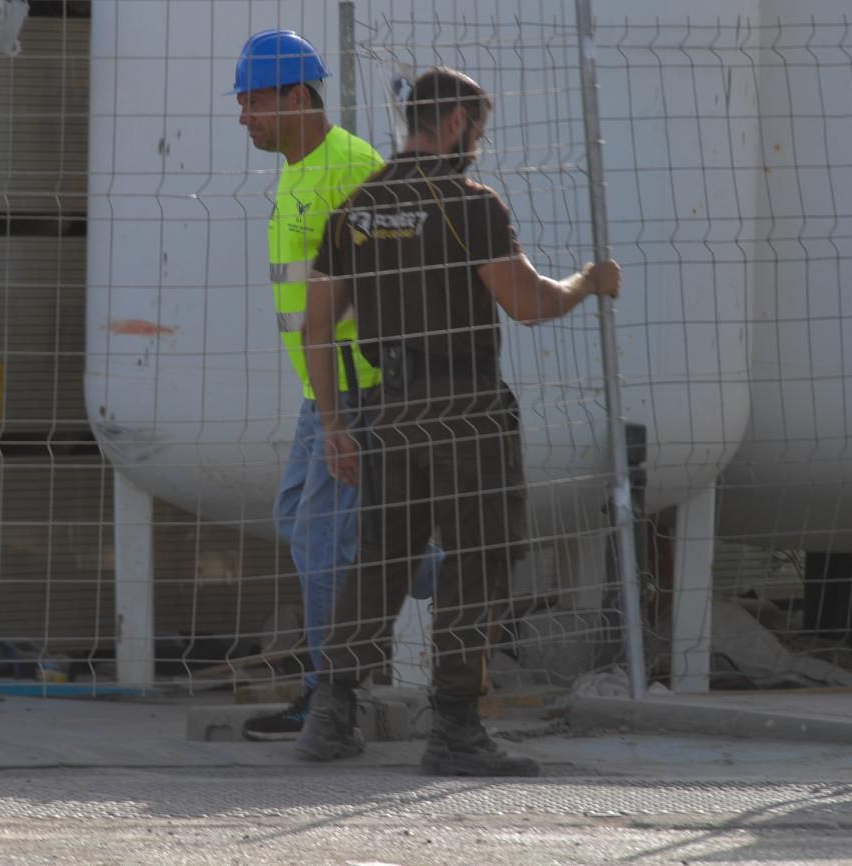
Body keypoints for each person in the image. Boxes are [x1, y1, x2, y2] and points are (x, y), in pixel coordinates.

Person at [301, 67, 622, 775]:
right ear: (452, 122)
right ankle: (454, 732)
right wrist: (588, 282)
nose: (479, 140)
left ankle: (329, 713)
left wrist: (335, 424)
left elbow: (316, 328)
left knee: (380, 560)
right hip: (465, 411)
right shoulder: (469, 204)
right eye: (477, 125)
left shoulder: (355, 209)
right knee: (478, 563)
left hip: (388, 411)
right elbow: (531, 303)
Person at [233, 30, 442, 741]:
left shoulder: (349, 170)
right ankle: (445, 560)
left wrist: (345, 418)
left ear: (297, 96)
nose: (242, 117)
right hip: (326, 391)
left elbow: (389, 297)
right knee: (300, 521)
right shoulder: (300, 169)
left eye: (254, 101)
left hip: (358, 389)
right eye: (239, 104)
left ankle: (332, 698)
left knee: (321, 543)